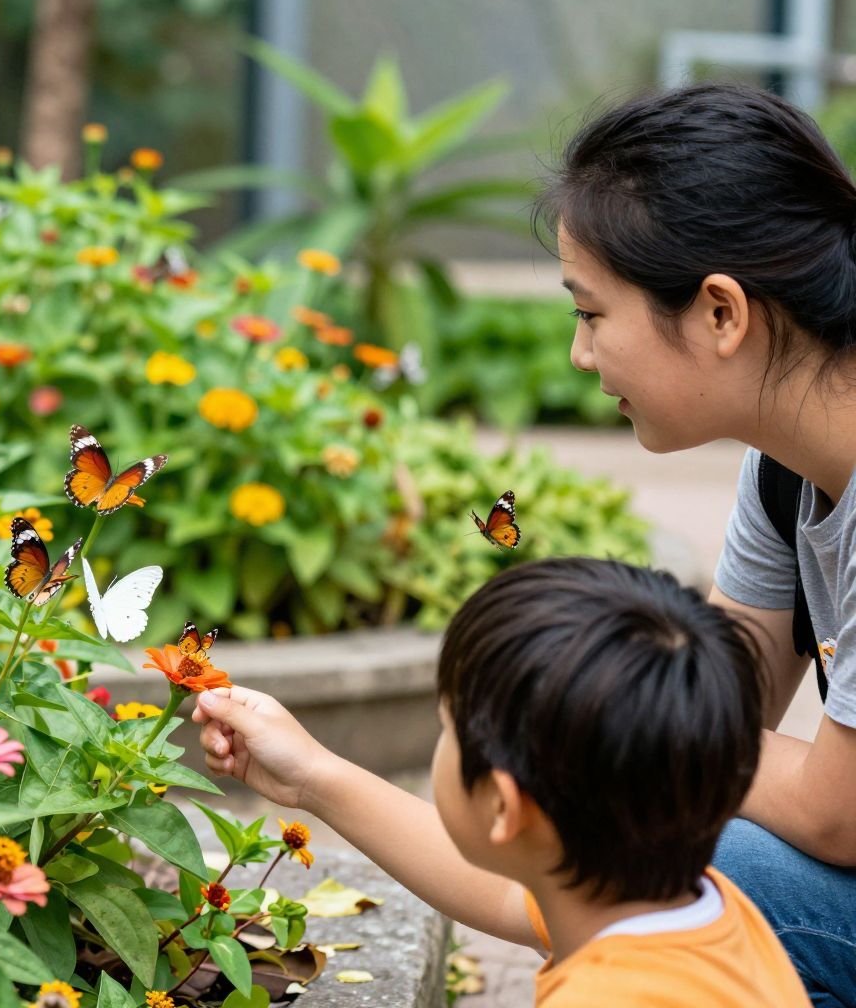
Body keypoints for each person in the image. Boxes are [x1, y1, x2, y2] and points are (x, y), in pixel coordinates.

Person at [542, 82, 856, 1005]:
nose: (580, 355)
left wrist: (599, 725)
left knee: (690, 860)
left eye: (592, 314)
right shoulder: (787, 464)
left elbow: (833, 811)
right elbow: (723, 700)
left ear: (722, 312)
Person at [194, 558, 810, 1006]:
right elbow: (501, 894)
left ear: (502, 805)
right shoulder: (694, 911)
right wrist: (310, 777)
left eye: (446, 726)